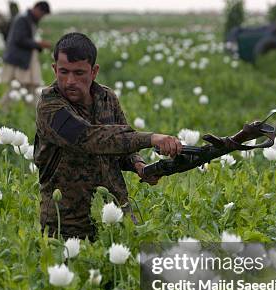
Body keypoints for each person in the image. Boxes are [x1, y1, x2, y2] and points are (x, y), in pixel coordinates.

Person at [34, 33, 183, 240]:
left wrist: (139, 165)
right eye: (64, 72)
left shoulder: (107, 98)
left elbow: (122, 144)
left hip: (115, 212)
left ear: (94, 71)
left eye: (79, 73)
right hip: (66, 223)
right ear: (54, 69)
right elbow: (89, 138)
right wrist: (151, 138)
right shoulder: (49, 106)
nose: (70, 81)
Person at [0, 1, 52, 104]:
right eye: (42, 14)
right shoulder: (23, 19)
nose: (41, 17)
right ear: (36, 9)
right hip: (20, 60)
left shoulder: (29, 19)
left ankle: (34, 112)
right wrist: (39, 44)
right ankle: (3, 111)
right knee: (17, 87)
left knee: (31, 87)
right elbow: (19, 39)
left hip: (25, 59)